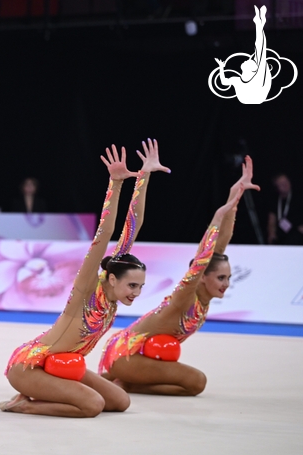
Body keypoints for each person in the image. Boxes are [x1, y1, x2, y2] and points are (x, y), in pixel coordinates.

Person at [0, 139, 170, 418]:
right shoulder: (87, 289)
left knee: (120, 402)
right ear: (112, 279)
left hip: (64, 364)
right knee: (92, 405)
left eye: (140, 286)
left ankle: (46, 394)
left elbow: (133, 226)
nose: (136, 292)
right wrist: (115, 184)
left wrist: (144, 176)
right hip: (31, 366)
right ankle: (24, 403)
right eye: (132, 285)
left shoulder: (114, 292)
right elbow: (104, 235)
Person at [98, 157, 257, 396]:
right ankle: (128, 382)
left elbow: (219, 248)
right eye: (221, 278)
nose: (226, 284)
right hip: (127, 353)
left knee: (191, 383)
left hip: (139, 356)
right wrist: (215, 218)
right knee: (196, 382)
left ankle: (128, 380)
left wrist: (234, 198)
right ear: (204, 277)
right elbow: (202, 260)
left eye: (227, 278)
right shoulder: (186, 296)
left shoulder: (205, 292)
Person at [215, 6, 271, 104]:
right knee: (260, 52)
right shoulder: (239, 80)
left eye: (250, 61)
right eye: (252, 60)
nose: (248, 59)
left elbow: (260, 48)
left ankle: (259, 24)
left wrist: (221, 67)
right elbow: (224, 82)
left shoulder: (254, 78)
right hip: (252, 97)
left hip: (256, 96)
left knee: (260, 51)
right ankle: (259, 24)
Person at [267, 173, 303, 245]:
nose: (285, 185)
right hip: (282, 235)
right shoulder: (275, 200)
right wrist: (272, 233)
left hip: (298, 233)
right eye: (282, 184)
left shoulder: (299, 196)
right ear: (277, 187)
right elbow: (272, 219)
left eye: (286, 182)